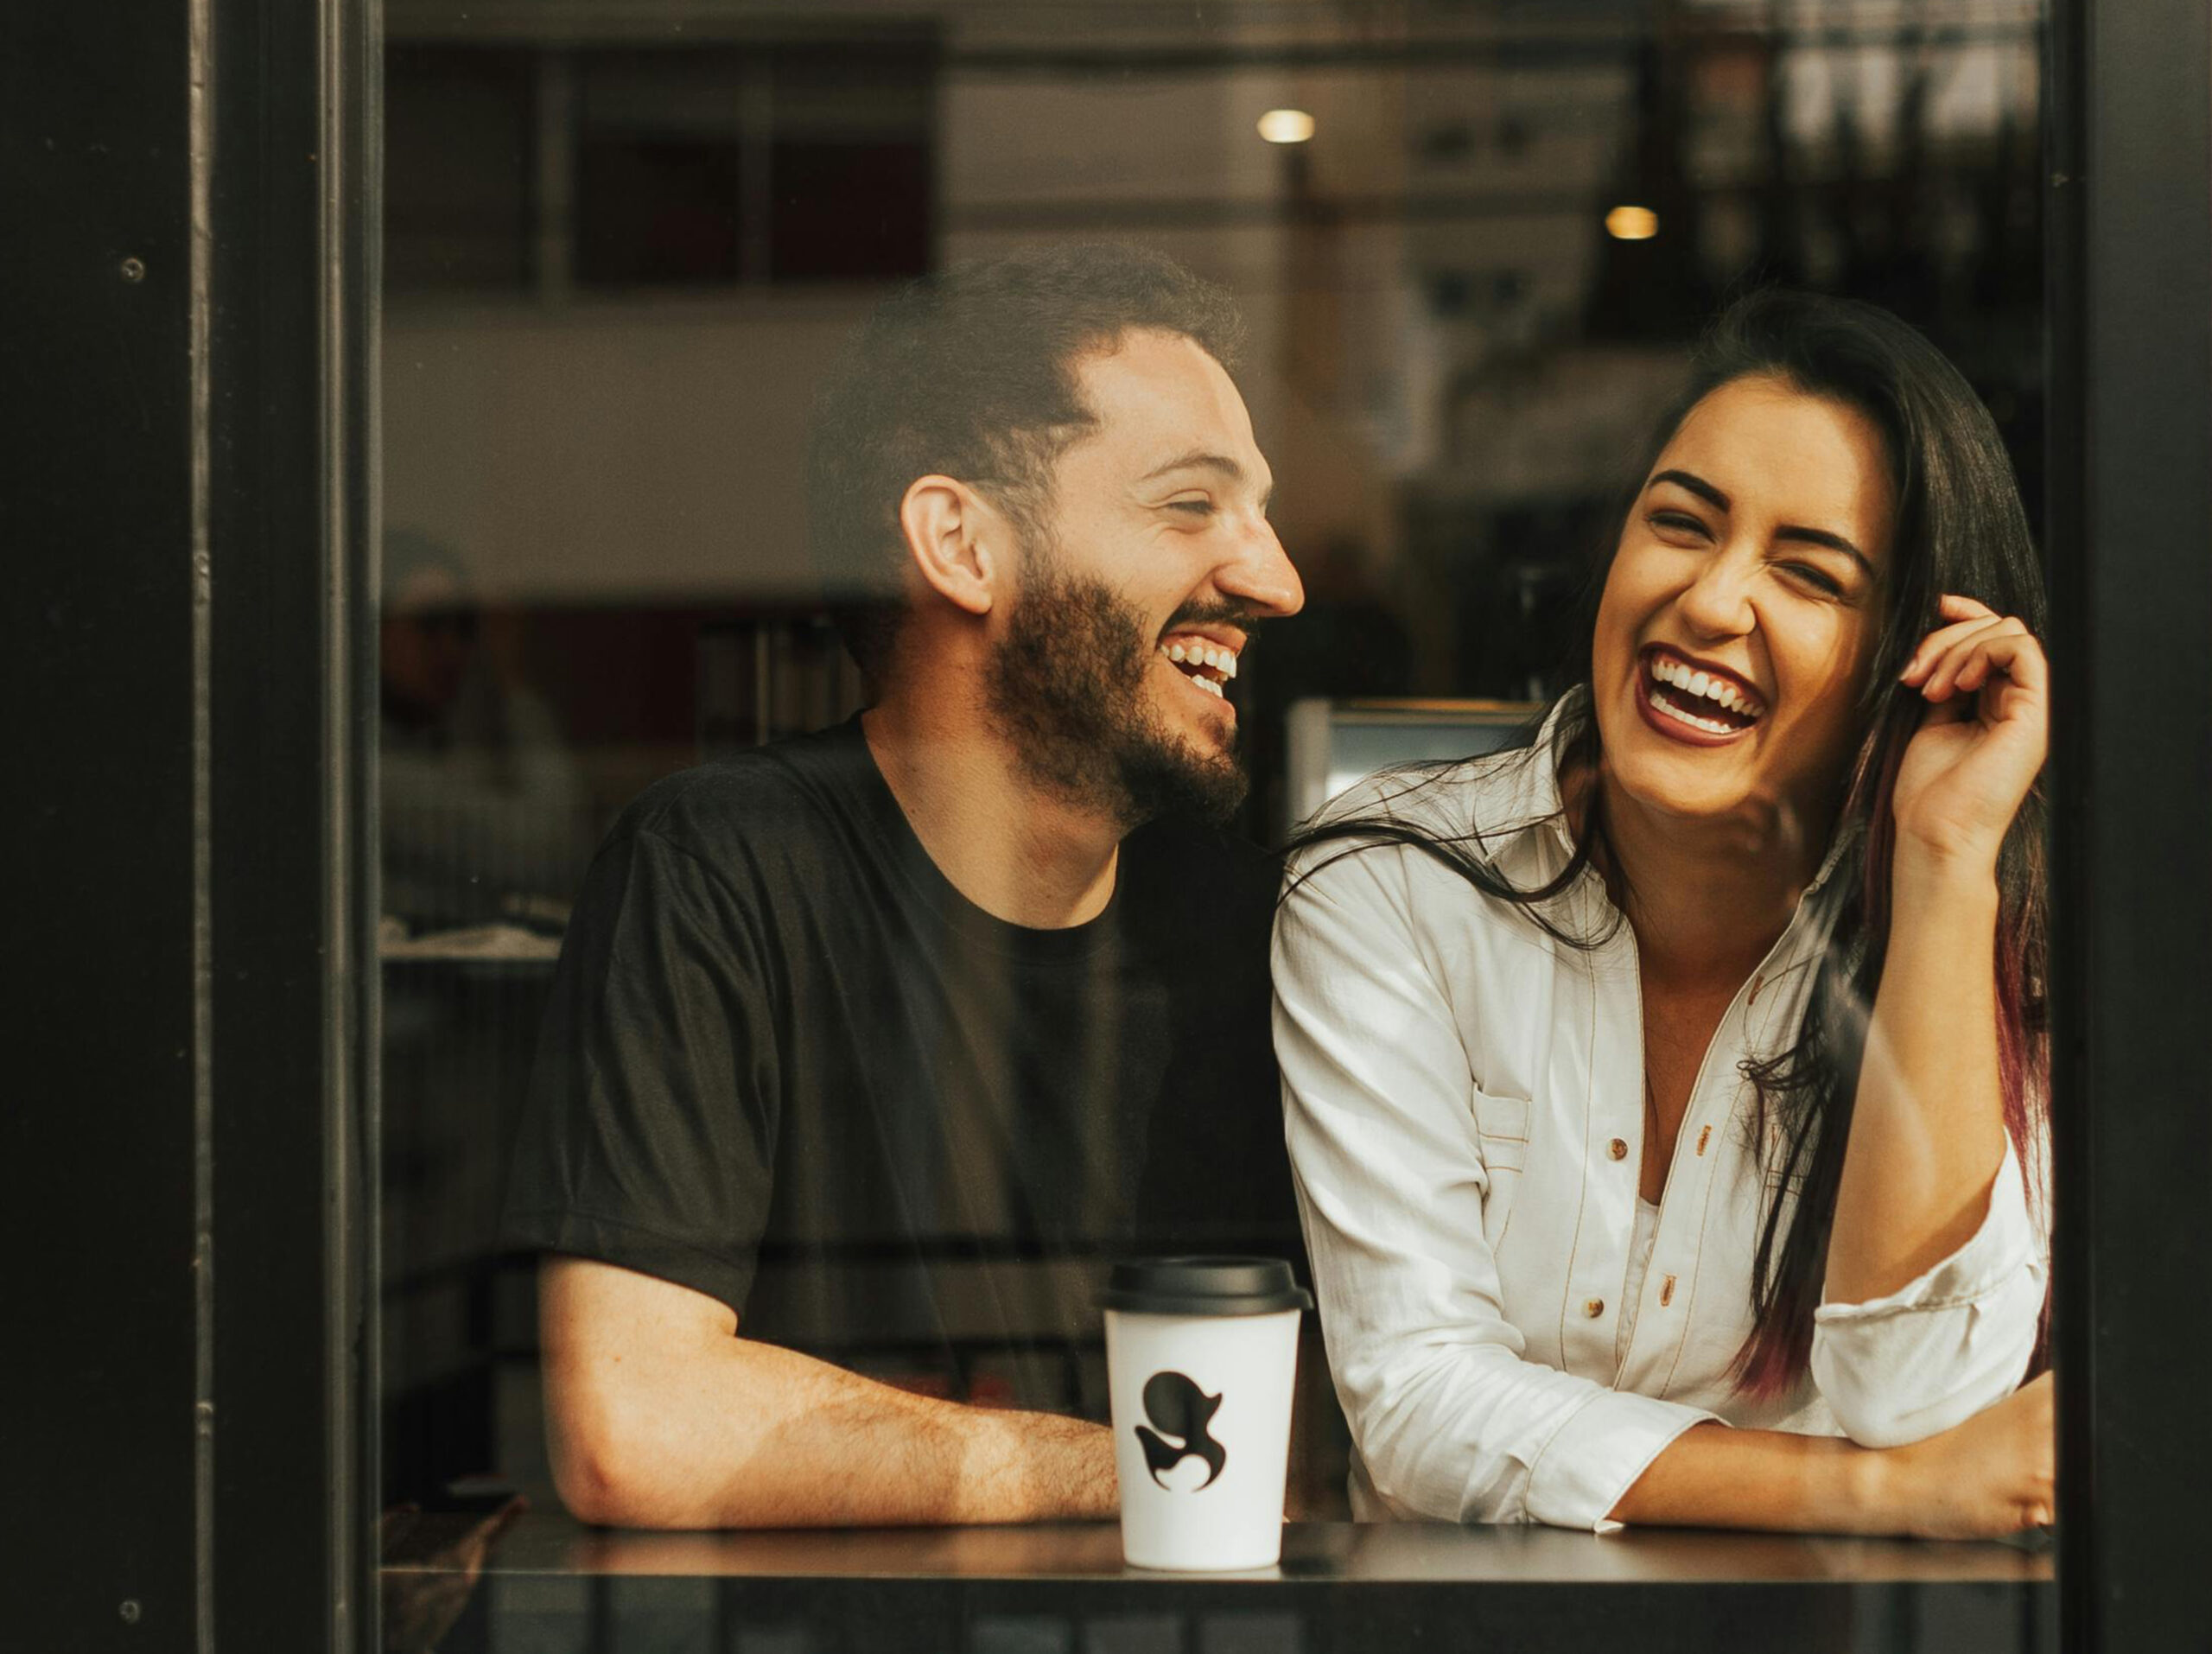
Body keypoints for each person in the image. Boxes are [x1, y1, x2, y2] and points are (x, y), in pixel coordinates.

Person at [501, 245, 1306, 1529]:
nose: (1277, 578)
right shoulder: (721, 868)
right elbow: (635, 1417)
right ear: (962, 544)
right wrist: (1141, 1475)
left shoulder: (1255, 933)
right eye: (1192, 505)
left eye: (1259, 512)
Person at [1273, 289, 2053, 1536]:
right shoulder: (1390, 881)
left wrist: (1948, 858)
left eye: (1809, 573)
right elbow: (1418, 1399)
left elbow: (1922, 1399)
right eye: (1680, 524)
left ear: (1910, 661)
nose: (1710, 599)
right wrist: (1869, 1491)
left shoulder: (1982, 946)